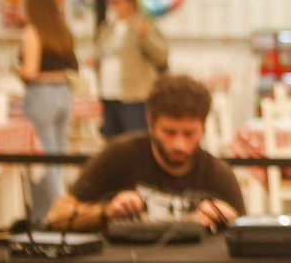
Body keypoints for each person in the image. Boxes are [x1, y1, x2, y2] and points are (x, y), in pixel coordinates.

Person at [46, 74, 243, 230]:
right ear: (150, 122)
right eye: (169, 132)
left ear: (203, 127)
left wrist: (230, 220)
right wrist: (106, 211)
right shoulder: (118, 156)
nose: (179, 144)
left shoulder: (218, 173)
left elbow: (247, 234)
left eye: (190, 133)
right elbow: (56, 217)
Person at [17, 0, 78, 222]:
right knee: (58, 158)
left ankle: (53, 214)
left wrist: (18, 71)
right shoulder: (62, 31)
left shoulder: (32, 32)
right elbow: (72, 68)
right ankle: (50, 212)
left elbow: (30, 72)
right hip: (64, 95)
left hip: (41, 96)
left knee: (44, 158)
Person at [96, 0, 168, 138]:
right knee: (112, 143)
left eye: (117, 1)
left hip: (134, 96)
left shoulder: (144, 24)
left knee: (135, 141)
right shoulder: (107, 27)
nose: (112, 5)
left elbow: (162, 56)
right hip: (108, 94)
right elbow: (100, 52)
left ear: (131, 1)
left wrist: (145, 37)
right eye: (110, 1)